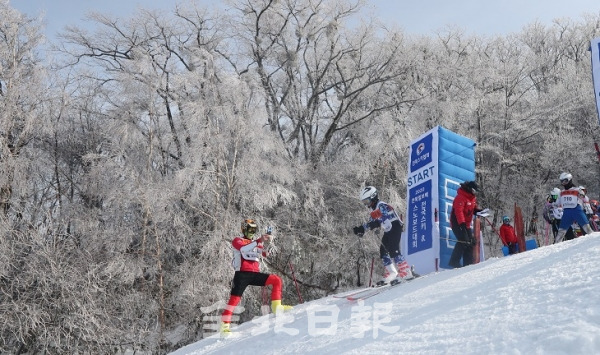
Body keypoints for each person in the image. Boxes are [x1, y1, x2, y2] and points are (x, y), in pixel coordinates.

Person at [220, 219, 292, 335]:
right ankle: (224, 327)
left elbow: (263, 253)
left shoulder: (255, 242)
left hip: (255, 274)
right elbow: (243, 249)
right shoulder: (237, 240)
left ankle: (277, 307)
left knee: (276, 280)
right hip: (242, 274)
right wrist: (259, 240)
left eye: (254, 230)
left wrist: (268, 245)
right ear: (244, 229)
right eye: (249, 229)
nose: (252, 232)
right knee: (234, 300)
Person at [353, 186, 413, 285]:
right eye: (364, 202)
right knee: (383, 251)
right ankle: (392, 273)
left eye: (367, 201)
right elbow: (372, 222)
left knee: (393, 250)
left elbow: (384, 216)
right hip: (388, 229)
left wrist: (375, 223)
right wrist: (361, 229)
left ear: (373, 197)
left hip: (395, 226)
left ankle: (406, 272)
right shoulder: (373, 210)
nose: (366, 204)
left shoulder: (381, 205)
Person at [448, 181, 482, 268]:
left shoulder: (472, 198)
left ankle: (468, 263)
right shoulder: (460, 197)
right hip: (457, 223)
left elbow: (472, 208)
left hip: (465, 224)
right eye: (474, 191)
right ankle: (454, 261)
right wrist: (462, 224)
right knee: (463, 240)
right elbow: (459, 212)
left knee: (471, 242)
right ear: (470, 189)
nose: (475, 193)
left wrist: (478, 211)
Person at [555, 173, 594, 243]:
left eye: (565, 181)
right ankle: (555, 245)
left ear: (569, 180)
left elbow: (584, 198)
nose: (563, 183)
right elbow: (557, 203)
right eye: (562, 181)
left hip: (576, 210)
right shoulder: (561, 192)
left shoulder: (577, 189)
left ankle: (594, 241)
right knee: (561, 231)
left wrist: (581, 195)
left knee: (587, 228)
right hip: (566, 212)